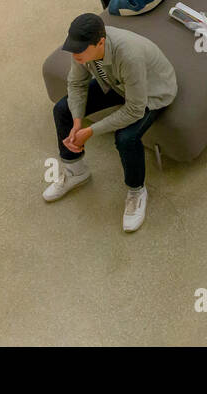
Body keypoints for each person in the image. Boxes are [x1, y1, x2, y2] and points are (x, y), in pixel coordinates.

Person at [45, 13, 178, 232]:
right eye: (73, 48)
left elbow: (135, 109)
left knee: (126, 137)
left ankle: (137, 191)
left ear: (100, 43)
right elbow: (76, 84)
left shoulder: (129, 55)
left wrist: (90, 131)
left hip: (152, 92)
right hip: (116, 83)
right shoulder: (81, 50)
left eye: (80, 50)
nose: (75, 54)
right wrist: (78, 121)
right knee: (62, 109)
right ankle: (76, 171)